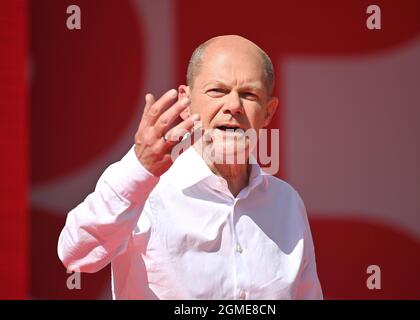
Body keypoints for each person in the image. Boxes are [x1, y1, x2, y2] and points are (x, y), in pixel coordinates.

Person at [57, 35, 323, 299]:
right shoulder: (145, 191)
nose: (233, 106)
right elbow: (76, 254)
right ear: (186, 101)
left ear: (268, 112)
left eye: (249, 94)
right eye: (217, 90)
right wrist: (140, 169)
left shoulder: (286, 203)